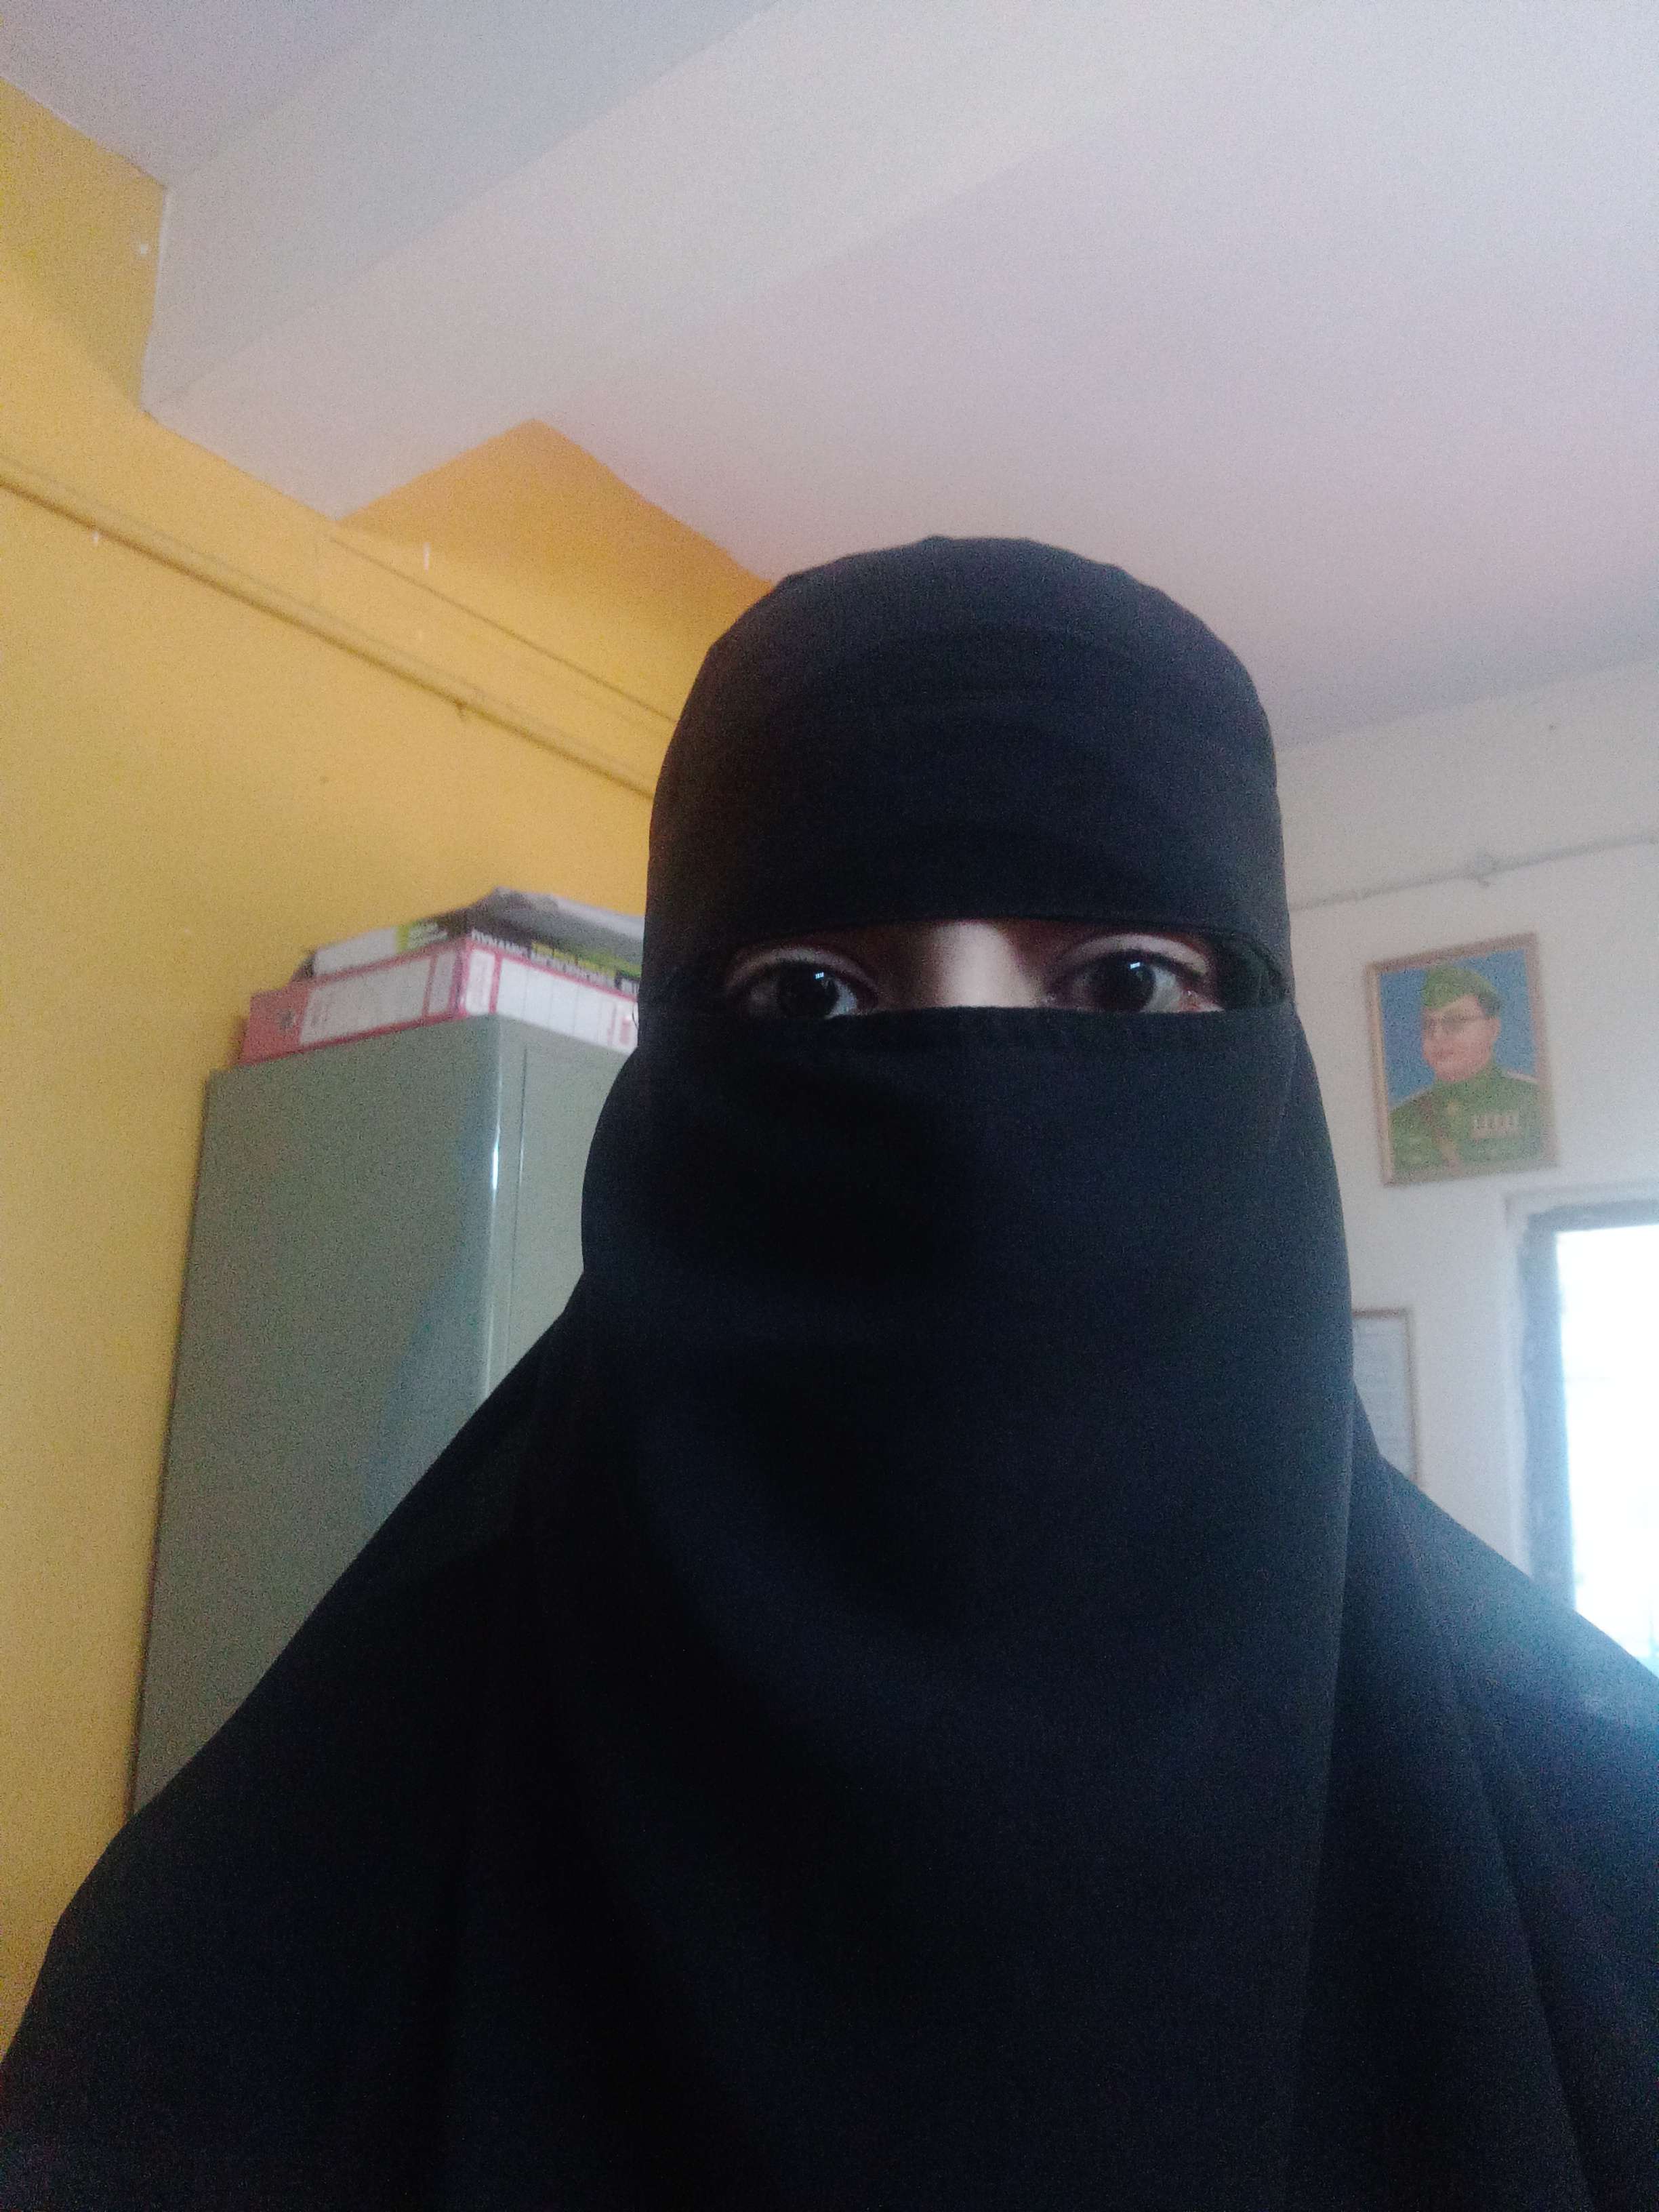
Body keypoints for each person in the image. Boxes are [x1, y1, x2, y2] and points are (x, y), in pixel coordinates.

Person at [1, 539, 1654, 2210]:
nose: (971, 1141)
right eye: (810, 992)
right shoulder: (252, 1946)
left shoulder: (1607, 1880)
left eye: (1124, 981)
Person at [1388, 962, 1547, 1172]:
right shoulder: (1398, 1121)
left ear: (1492, 1029)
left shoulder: (1536, 1103)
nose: (1437, 1035)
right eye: (1428, 1025)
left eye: (1455, 1022)